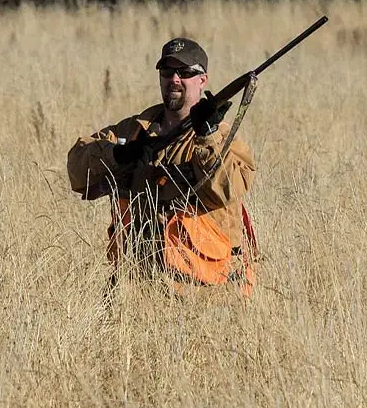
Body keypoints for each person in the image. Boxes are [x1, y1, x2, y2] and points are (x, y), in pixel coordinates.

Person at [67, 37, 258, 294]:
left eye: (185, 72)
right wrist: (119, 155)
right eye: (167, 71)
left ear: (203, 80)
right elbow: (77, 171)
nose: (175, 79)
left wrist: (207, 134)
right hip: (140, 284)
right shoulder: (134, 130)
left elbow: (226, 190)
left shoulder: (222, 138)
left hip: (209, 289)